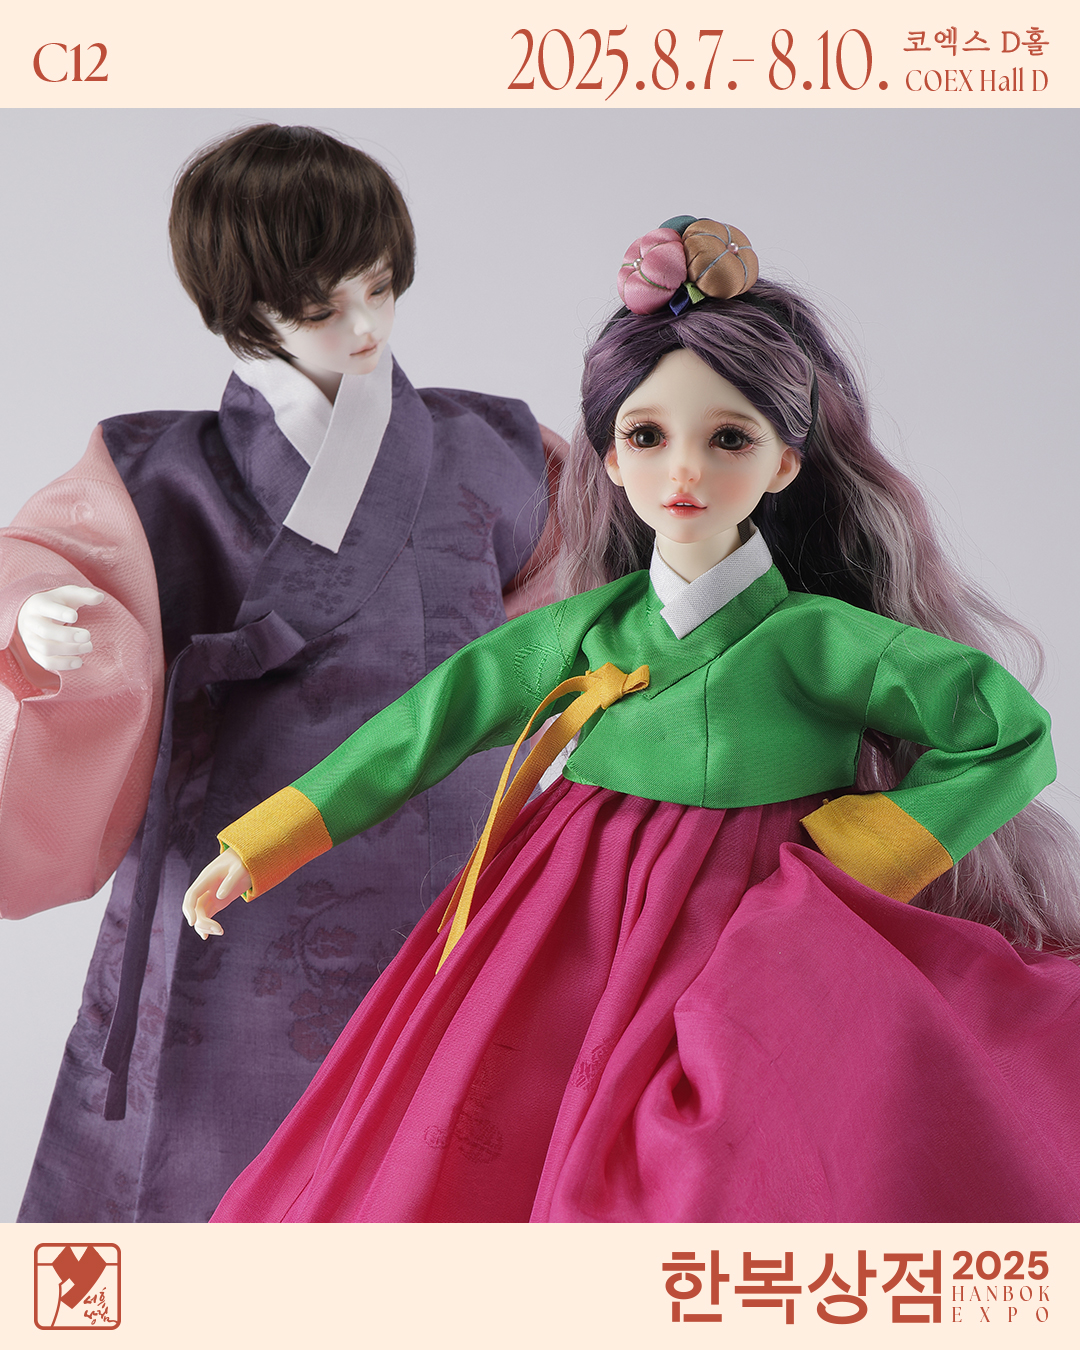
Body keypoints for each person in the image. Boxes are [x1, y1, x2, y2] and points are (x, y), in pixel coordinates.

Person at [186, 217, 1080, 1222]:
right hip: (570, 899)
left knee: (737, 1151)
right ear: (610, 458)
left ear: (786, 463)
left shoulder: (819, 642)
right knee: (500, 1113)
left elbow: (1006, 730)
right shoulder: (589, 630)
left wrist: (865, 853)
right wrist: (264, 843)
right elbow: (427, 726)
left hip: (766, 902)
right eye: (647, 437)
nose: (683, 473)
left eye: (729, 439)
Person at [8, 124, 555, 1222]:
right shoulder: (159, 470)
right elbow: (47, 559)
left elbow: (575, 600)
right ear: (242, 311)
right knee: (215, 1147)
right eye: (322, 307)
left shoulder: (497, 447)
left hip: (451, 847)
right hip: (241, 856)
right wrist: (48, 620)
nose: (365, 327)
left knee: (449, 1147)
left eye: (381, 290)